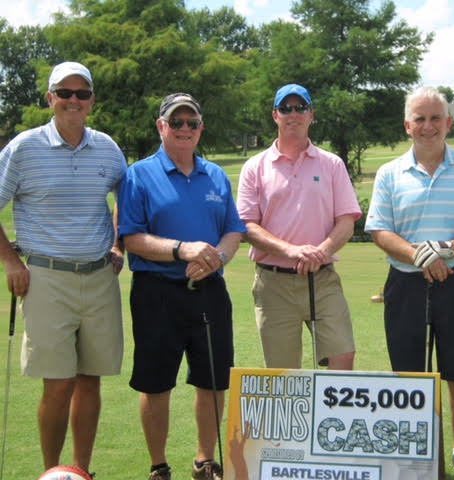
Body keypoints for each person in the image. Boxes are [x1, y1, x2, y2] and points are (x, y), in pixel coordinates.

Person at [364, 86, 454, 479]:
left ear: (449, 123)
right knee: (410, 376)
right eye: (420, 119)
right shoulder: (390, 173)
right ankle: (416, 456)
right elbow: (379, 230)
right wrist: (418, 255)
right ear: (408, 125)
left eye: (435, 118)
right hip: (405, 284)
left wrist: (444, 249)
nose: (428, 127)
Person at [0, 61, 127, 476]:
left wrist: (116, 243)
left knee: (90, 380)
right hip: (46, 278)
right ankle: (52, 472)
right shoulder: (23, 148)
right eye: (65, 93)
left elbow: (126, 202)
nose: (74, 101)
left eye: (82, 94)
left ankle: (81, 472)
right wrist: (10, 260)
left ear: (92, 101)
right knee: (57, 385)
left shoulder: (108, 148)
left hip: (98, 277)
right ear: (50, 98)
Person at [117, 93, 246, 480]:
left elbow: (233, 231)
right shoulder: (138, 174)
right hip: (157, 291)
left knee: (212, 379)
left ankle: (205, 461)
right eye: (177, 122)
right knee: (156, 383)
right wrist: (181, 250)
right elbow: (132, 237)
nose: (185, 129)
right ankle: (159, 466)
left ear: (201, 128)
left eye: (192, 123)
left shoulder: (216, 175)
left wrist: (215, 259)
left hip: (209, 291)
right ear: (161, 127)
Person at [236, 83, 361, 369]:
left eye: (300, 107)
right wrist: (292, 251)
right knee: (284, 376)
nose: (293, 114)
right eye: (285, 108)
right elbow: (247, 226)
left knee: (343, 359)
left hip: (323, 278)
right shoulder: (255, 167)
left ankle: (330, 417)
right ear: (275, 115)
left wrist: (321, 251)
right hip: (274, 283)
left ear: (311, 115)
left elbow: (346, 221)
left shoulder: (331, 164)